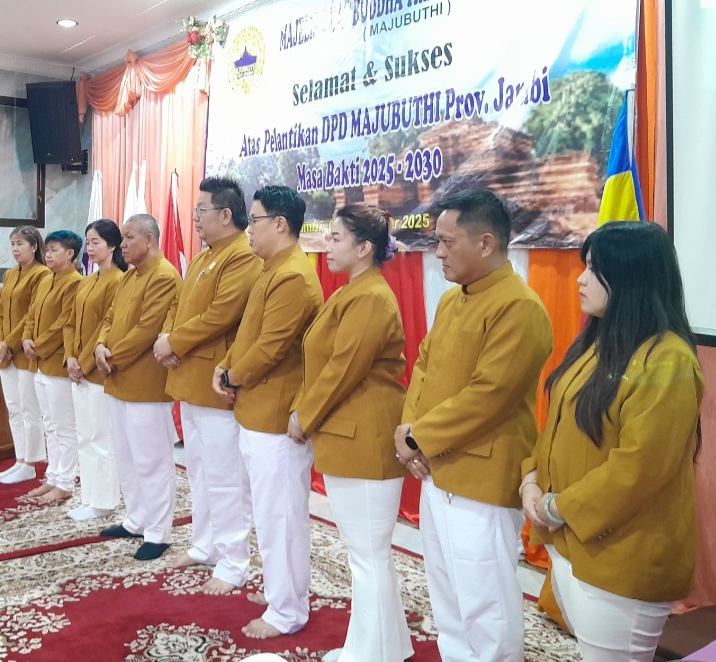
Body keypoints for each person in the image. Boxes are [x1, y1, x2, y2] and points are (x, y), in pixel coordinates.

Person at [520, 221, 704, 662]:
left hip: (623, 555)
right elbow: (556, 426)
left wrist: (556, 507)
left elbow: (638, 468)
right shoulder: (598, 341)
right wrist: (531, 479)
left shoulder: (668, 360)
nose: (580, 279)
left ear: (630, 276)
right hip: (572, 541)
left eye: (594, 268)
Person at [394, 188, 553, 662]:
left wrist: (419, 437)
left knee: (486, 602)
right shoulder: (451, 301)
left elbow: (489, 396)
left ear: (486, 243)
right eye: (436, 242)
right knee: (447, 593)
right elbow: (423, 367)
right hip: (436, 468)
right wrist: (408, 432)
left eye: (447, 242)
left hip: (482, 476)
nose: (438, 252)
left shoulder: (520, 307)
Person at [289, 205, 413, 662]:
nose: (327, 243)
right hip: (351, 431)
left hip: (364, 435)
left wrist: (303, 415)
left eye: (337, 237)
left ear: (364, 248)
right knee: (369, 554)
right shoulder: (354, 291)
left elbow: (343, 369)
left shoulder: (370, 297)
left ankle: (369, 654)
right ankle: (387, 647)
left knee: (367, 556)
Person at [215, 185, 323, 639]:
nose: (249, 229)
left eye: (255, 220)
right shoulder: (271, 268)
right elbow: (248, 334)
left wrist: (232, 375)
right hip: (256, 408)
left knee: (281, 517)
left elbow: (271, 348)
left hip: (276, 415)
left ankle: (287, 611)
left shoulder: (293, 275)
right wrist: (225, 366)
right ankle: (285, 591)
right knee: (270, 513)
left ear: (280, 224)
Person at [155, 177, 261, 595]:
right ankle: (205, 545)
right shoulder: (204, 256)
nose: (195, 217)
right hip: (189, 379)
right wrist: (168, 338)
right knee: (199, 471)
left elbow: (221, 314)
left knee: (225, 477)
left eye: (201, 210)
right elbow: (178, 306)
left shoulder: (242, 257)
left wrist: (174, 342)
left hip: (215, 385)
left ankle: (234, 561)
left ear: (226, 215)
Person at [95, 214, 182, 561]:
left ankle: (158, 532)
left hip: (146, 384)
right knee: (127, 457)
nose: (123, 244)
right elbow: (109, 318)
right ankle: (136, 519)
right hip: (118, 379)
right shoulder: (130, 277)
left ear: (149, 240)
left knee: (152, 461)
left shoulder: (164, 276)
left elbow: (147, 331)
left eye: (129, 237)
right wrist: (99, 346)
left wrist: (111, 358)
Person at [65, 219, 126, 521]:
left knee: (102, 438)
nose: (89, 247)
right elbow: (71, 323)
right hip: (78, 370)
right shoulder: (87, 280)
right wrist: (69, 358)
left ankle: (104, 501)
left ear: (112, 245)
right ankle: (89, 496)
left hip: (98, 372)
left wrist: (85, 362)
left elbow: (107, 327)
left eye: (96, 242)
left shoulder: (118, 281)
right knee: (84, 436)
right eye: (87, 242)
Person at [22, 230, 84, 505]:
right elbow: (31, 313)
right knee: (49, 424)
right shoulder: (47, 279)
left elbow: (64, 323)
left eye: (54, 250)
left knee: (64, 427)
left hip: (57, 362)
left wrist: (39, 345)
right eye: (47, 250)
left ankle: (66, 482)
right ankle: (54, 476)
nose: (47, 255)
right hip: (39, 363)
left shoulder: (75, 283)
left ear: (70, 254)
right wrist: (26, 338)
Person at [0, 226, 50, 485]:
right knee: (14, 409)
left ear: (34, 247)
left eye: (20, 244)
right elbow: (0, 312)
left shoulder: (41, 274)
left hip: (25, 352)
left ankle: (31, 463)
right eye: (12, 244)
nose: (15, 249)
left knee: (29, 409)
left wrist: (9, 343)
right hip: (5, 354)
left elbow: (31, 315)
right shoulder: (9, 274)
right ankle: (20, 459)